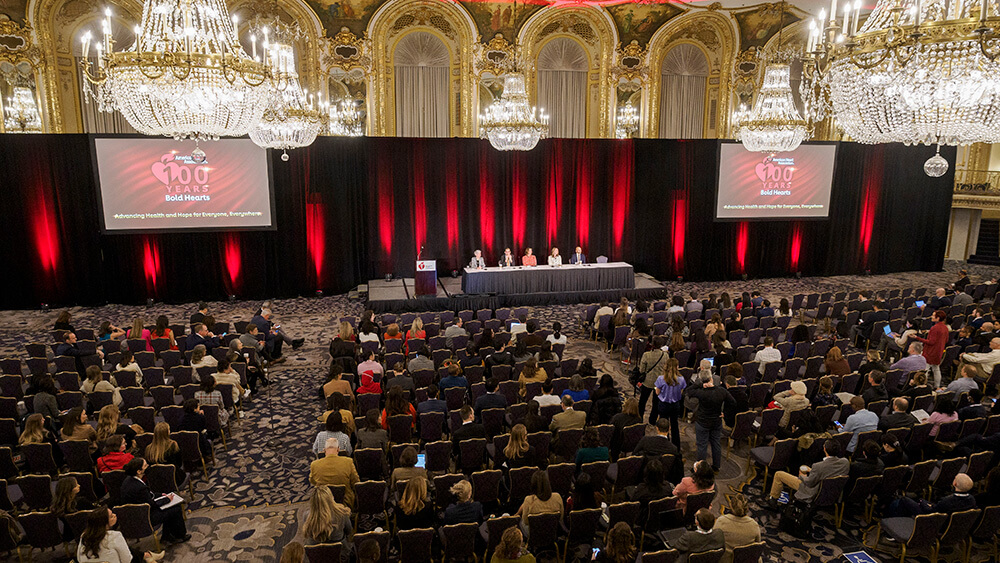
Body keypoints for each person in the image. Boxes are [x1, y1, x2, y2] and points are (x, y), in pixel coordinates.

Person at [765, 440, 849, 509]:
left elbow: (809, 483)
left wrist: (802, 476)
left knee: (779, 474)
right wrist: (812, 470)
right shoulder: (845, 462)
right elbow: (830, 472)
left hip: (812, 491)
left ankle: (773, 501)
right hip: (831, 492)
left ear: (824, 449)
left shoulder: (818, 466)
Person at [121, 457, 189, 542]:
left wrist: (161, 495)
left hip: (136, 513)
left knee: (169, 508)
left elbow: (147, 495)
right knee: (175, 508)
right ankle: (179, 535)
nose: (148, 466)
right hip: (144, 517)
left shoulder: (129, 480)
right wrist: (167, 499)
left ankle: (167, 536)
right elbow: (151, 504)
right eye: (145, 465)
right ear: (139, 471)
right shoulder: (139, 487)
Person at [685, 369, 735, 472]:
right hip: (716, 422)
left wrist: (699, 383)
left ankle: (700, 468)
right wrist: (725, 413)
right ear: (711, 379)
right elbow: (733, 403)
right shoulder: (722, 391)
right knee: (716, 443)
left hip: (703, 422)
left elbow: (688, 391)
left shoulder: (701, 392)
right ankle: (716, 466)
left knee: (702, 446)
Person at [77, 508, 164, 563]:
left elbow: (79, 559)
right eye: (111, 516)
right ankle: (148, 557)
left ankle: (147, 556)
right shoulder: (115, 536)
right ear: (105, 524)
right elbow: (127, 560)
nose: (115, 515)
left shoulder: (84, 536)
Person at [888, 473, 976, 517]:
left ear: (955, 484)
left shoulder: (947, 501)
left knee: (904, 500)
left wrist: (922, 502)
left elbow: (931, 512)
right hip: (948, 524)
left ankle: (896, 523)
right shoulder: (972, 500)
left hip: (930, 519)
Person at [309, 438, 360, 507]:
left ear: (324, 450)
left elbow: (313, 481)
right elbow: (356, 482)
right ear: (338, 449)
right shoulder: (348, 462)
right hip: (345, 503)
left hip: (323, 503)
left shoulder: (314, 465)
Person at [714, 494, 761, 563]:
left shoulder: (721, 521)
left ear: (731, 506)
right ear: (747, 508)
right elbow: (757, 545)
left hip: (724, 560)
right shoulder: (754, 525)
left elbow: (713, 540)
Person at [633, 418, 683, 483]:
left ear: (657, 428)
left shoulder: (645, 440)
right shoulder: (673, 449)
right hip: (664, 478)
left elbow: (634, 456)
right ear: (669, 428)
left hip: (643, 477)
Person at [654, 357, 686, 447]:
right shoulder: (681, 379)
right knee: (675, 426)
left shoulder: (661, 378)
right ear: (677, 367)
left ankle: (664, 446)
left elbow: (657, 392)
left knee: (663, 427)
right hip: (675, 405)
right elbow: (681, 392)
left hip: (663, 405)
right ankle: (676, 447)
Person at [915, 309, 949, 387]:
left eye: (933, 315)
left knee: (925, 370)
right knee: (936, 369)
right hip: (939, 352)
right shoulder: (945, 328)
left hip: (930, 352)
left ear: (938, 318)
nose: (931, 316)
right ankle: (937, 386)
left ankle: (922, 385)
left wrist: (917, 338)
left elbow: (931, 342)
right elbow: (946, 340)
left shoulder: (935, 328)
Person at [638, 339, 668, 423]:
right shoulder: (665, 356)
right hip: (659, 382)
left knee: (642, 401)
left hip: (647, 381)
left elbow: (642, 370)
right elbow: (666, 369)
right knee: (656, 403)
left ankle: (640, 418)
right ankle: (652, 420)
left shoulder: (646, 355)